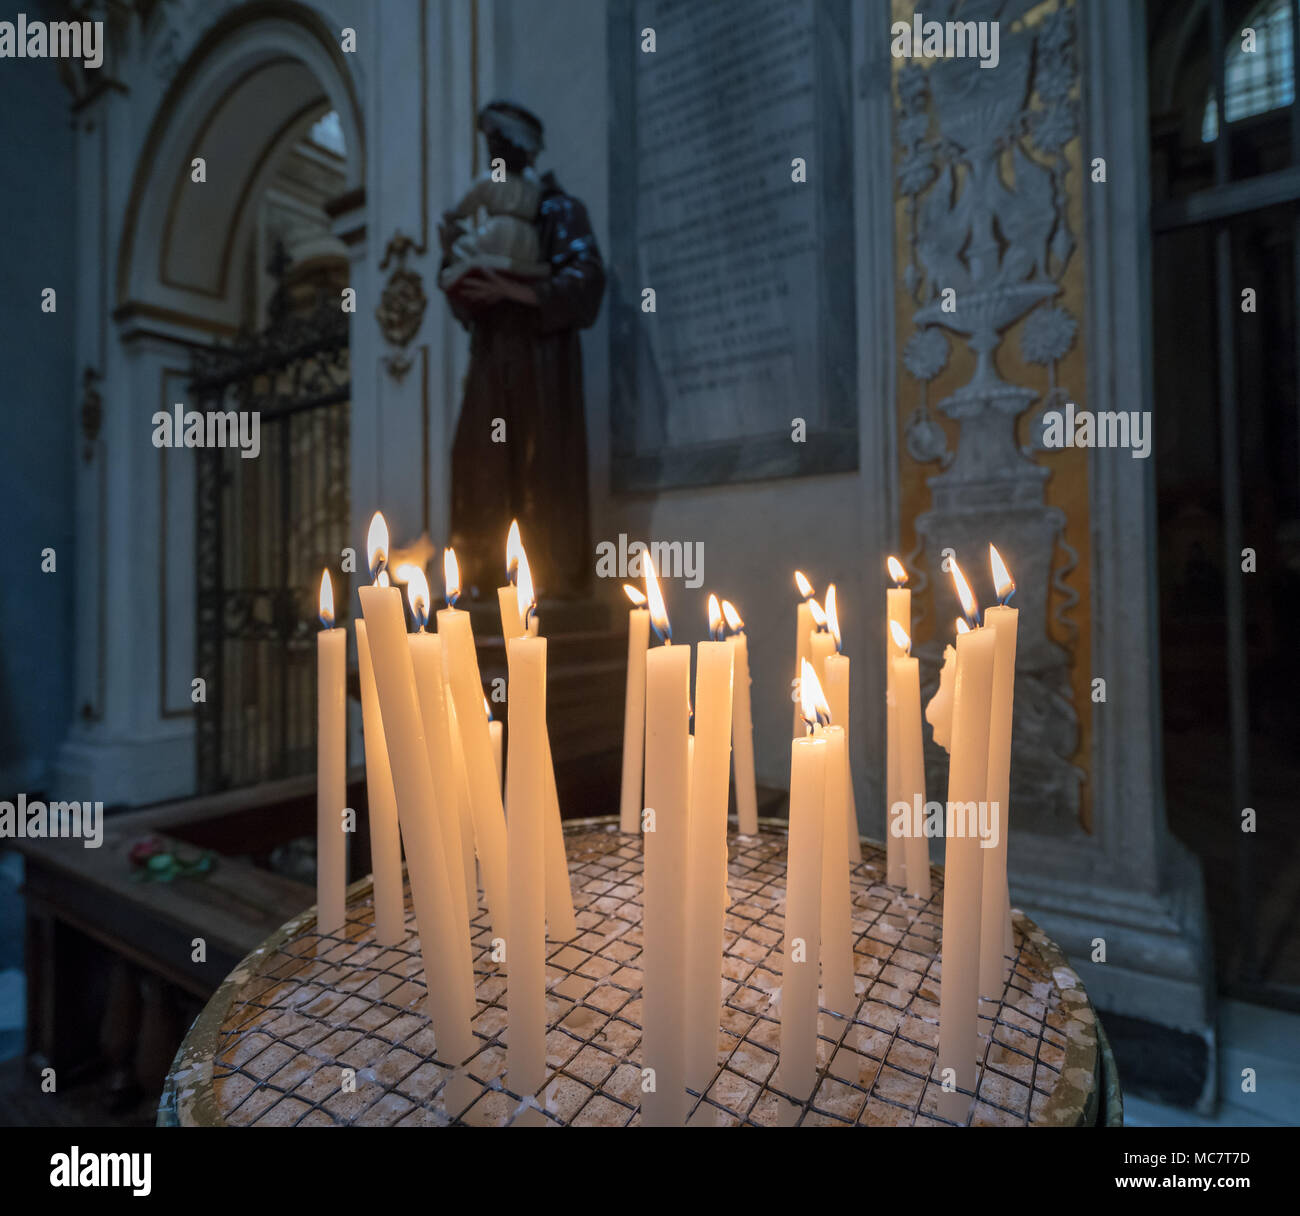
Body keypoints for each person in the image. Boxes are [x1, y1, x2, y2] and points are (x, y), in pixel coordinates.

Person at [439, 100, 605, 600]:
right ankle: (483, 582)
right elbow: (461, 302)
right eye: (488, 145)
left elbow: (587, 279)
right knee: (479, 460)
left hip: (541, 361)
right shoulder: (482, 214)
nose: (494, 153)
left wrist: (519, 292)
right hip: (492, 357)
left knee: (541, 466)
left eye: (501, 143)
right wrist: (454, 256)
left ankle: (552, 585)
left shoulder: (559, 209)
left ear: (523, 148)